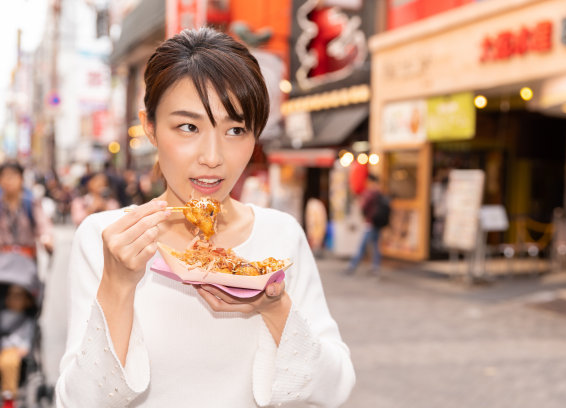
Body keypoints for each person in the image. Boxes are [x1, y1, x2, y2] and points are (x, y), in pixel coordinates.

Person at [56, 27, 355, 407]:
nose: (213, 156)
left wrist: (274, 307)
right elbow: (79, 401)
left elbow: (336, 388)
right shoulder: (108, 239)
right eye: (188, 127)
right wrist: (117, 284)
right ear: (150, 126)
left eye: (235, 129)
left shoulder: (281, 236)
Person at [0, 161, 54, 259]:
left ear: (21, 179)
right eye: (4, 176)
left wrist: (46, 238)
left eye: (12, 176)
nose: (8, 180)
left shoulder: (30, 203)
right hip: (2, 260)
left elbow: (43, 224)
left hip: (26, 260)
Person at [0, 284, 36, 408]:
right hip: (3, 347)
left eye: (17, 296)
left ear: (27, 301)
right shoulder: (3, 315)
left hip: (14, 349)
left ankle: (9, 396)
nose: (12, 299)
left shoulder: (27, 320)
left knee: (8, 363)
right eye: (10, 295)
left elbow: (28, 338)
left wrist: (25, 348)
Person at [345, 173, 388, 277]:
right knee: (375, 246)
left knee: (363, 246)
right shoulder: (380, 193)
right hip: (378, 223)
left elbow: (363, 206)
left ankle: (352, 265)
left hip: (370, 223)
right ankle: (375, 267)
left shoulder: (369, 193)